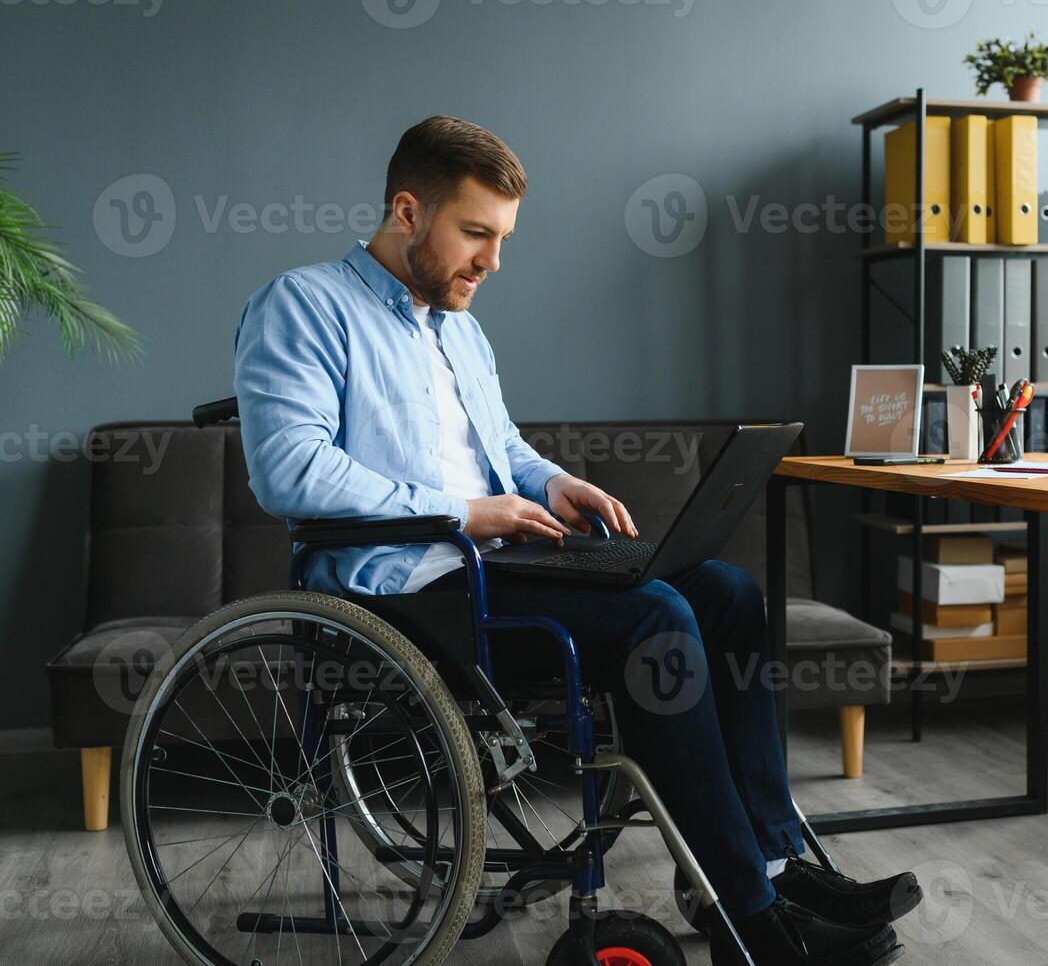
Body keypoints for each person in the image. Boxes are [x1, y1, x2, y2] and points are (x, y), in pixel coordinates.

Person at [234, 115, 921, 965]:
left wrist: (550, 482)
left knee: (730, 593)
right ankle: (746, 911)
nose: (491, 261)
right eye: (475, 233)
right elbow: (287, 469)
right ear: (407, 212)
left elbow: (501, 447)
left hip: (487, 570)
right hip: (398, 593)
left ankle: (775, 861)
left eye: (502, 238)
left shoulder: (459, 328)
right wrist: (463, 511)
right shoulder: (301, 305)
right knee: (653, 617)